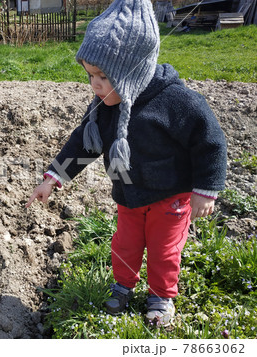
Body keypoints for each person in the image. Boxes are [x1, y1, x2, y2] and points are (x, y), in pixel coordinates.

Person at [25, 0, 227, 326]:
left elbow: (210, 141)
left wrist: (206, 188)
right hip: (129, 195)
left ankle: (161, 296)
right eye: (90, 75)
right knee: (124, 244)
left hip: (170, 197)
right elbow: (83, 144)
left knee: (163, 251)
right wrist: (53, 177)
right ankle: (123, 285)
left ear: (134, 69)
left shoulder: (177, 102)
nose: (95, 85)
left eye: (104, 76)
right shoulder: (104, 106)